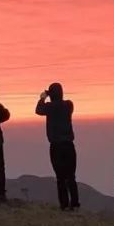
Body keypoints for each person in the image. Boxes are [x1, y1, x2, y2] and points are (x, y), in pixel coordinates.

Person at [35, 83, 79, 211]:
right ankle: (75, 203)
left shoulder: (49, 107)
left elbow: (38, 110)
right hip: (69, 145)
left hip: (56, 146)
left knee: (60, 177)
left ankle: (64, 204)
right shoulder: (68, 105)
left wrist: (43, 97)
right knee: (71, 176)